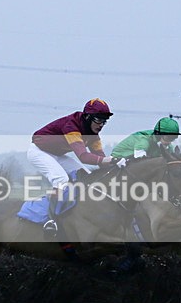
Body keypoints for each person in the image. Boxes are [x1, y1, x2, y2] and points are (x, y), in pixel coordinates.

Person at [27, 98, 122, 236]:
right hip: (39, 152)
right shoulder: (72, 127)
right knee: (61, 180)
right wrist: (110, 160)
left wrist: (117, 165)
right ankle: (51, 220)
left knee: (86, 177)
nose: (101, 124)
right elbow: (83, 156)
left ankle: (80, 214)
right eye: (98, 120)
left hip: (57, 154)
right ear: (87, 117)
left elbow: (100, 157)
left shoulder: (93, 134)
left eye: (104, 121)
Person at [110, 117, 181, 160]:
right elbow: (141, 163)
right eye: (168, 138)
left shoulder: (169, 147)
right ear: (159, 134)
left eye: (173, 138)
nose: (169, 142)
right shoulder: (143, 141)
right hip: (118, 159)